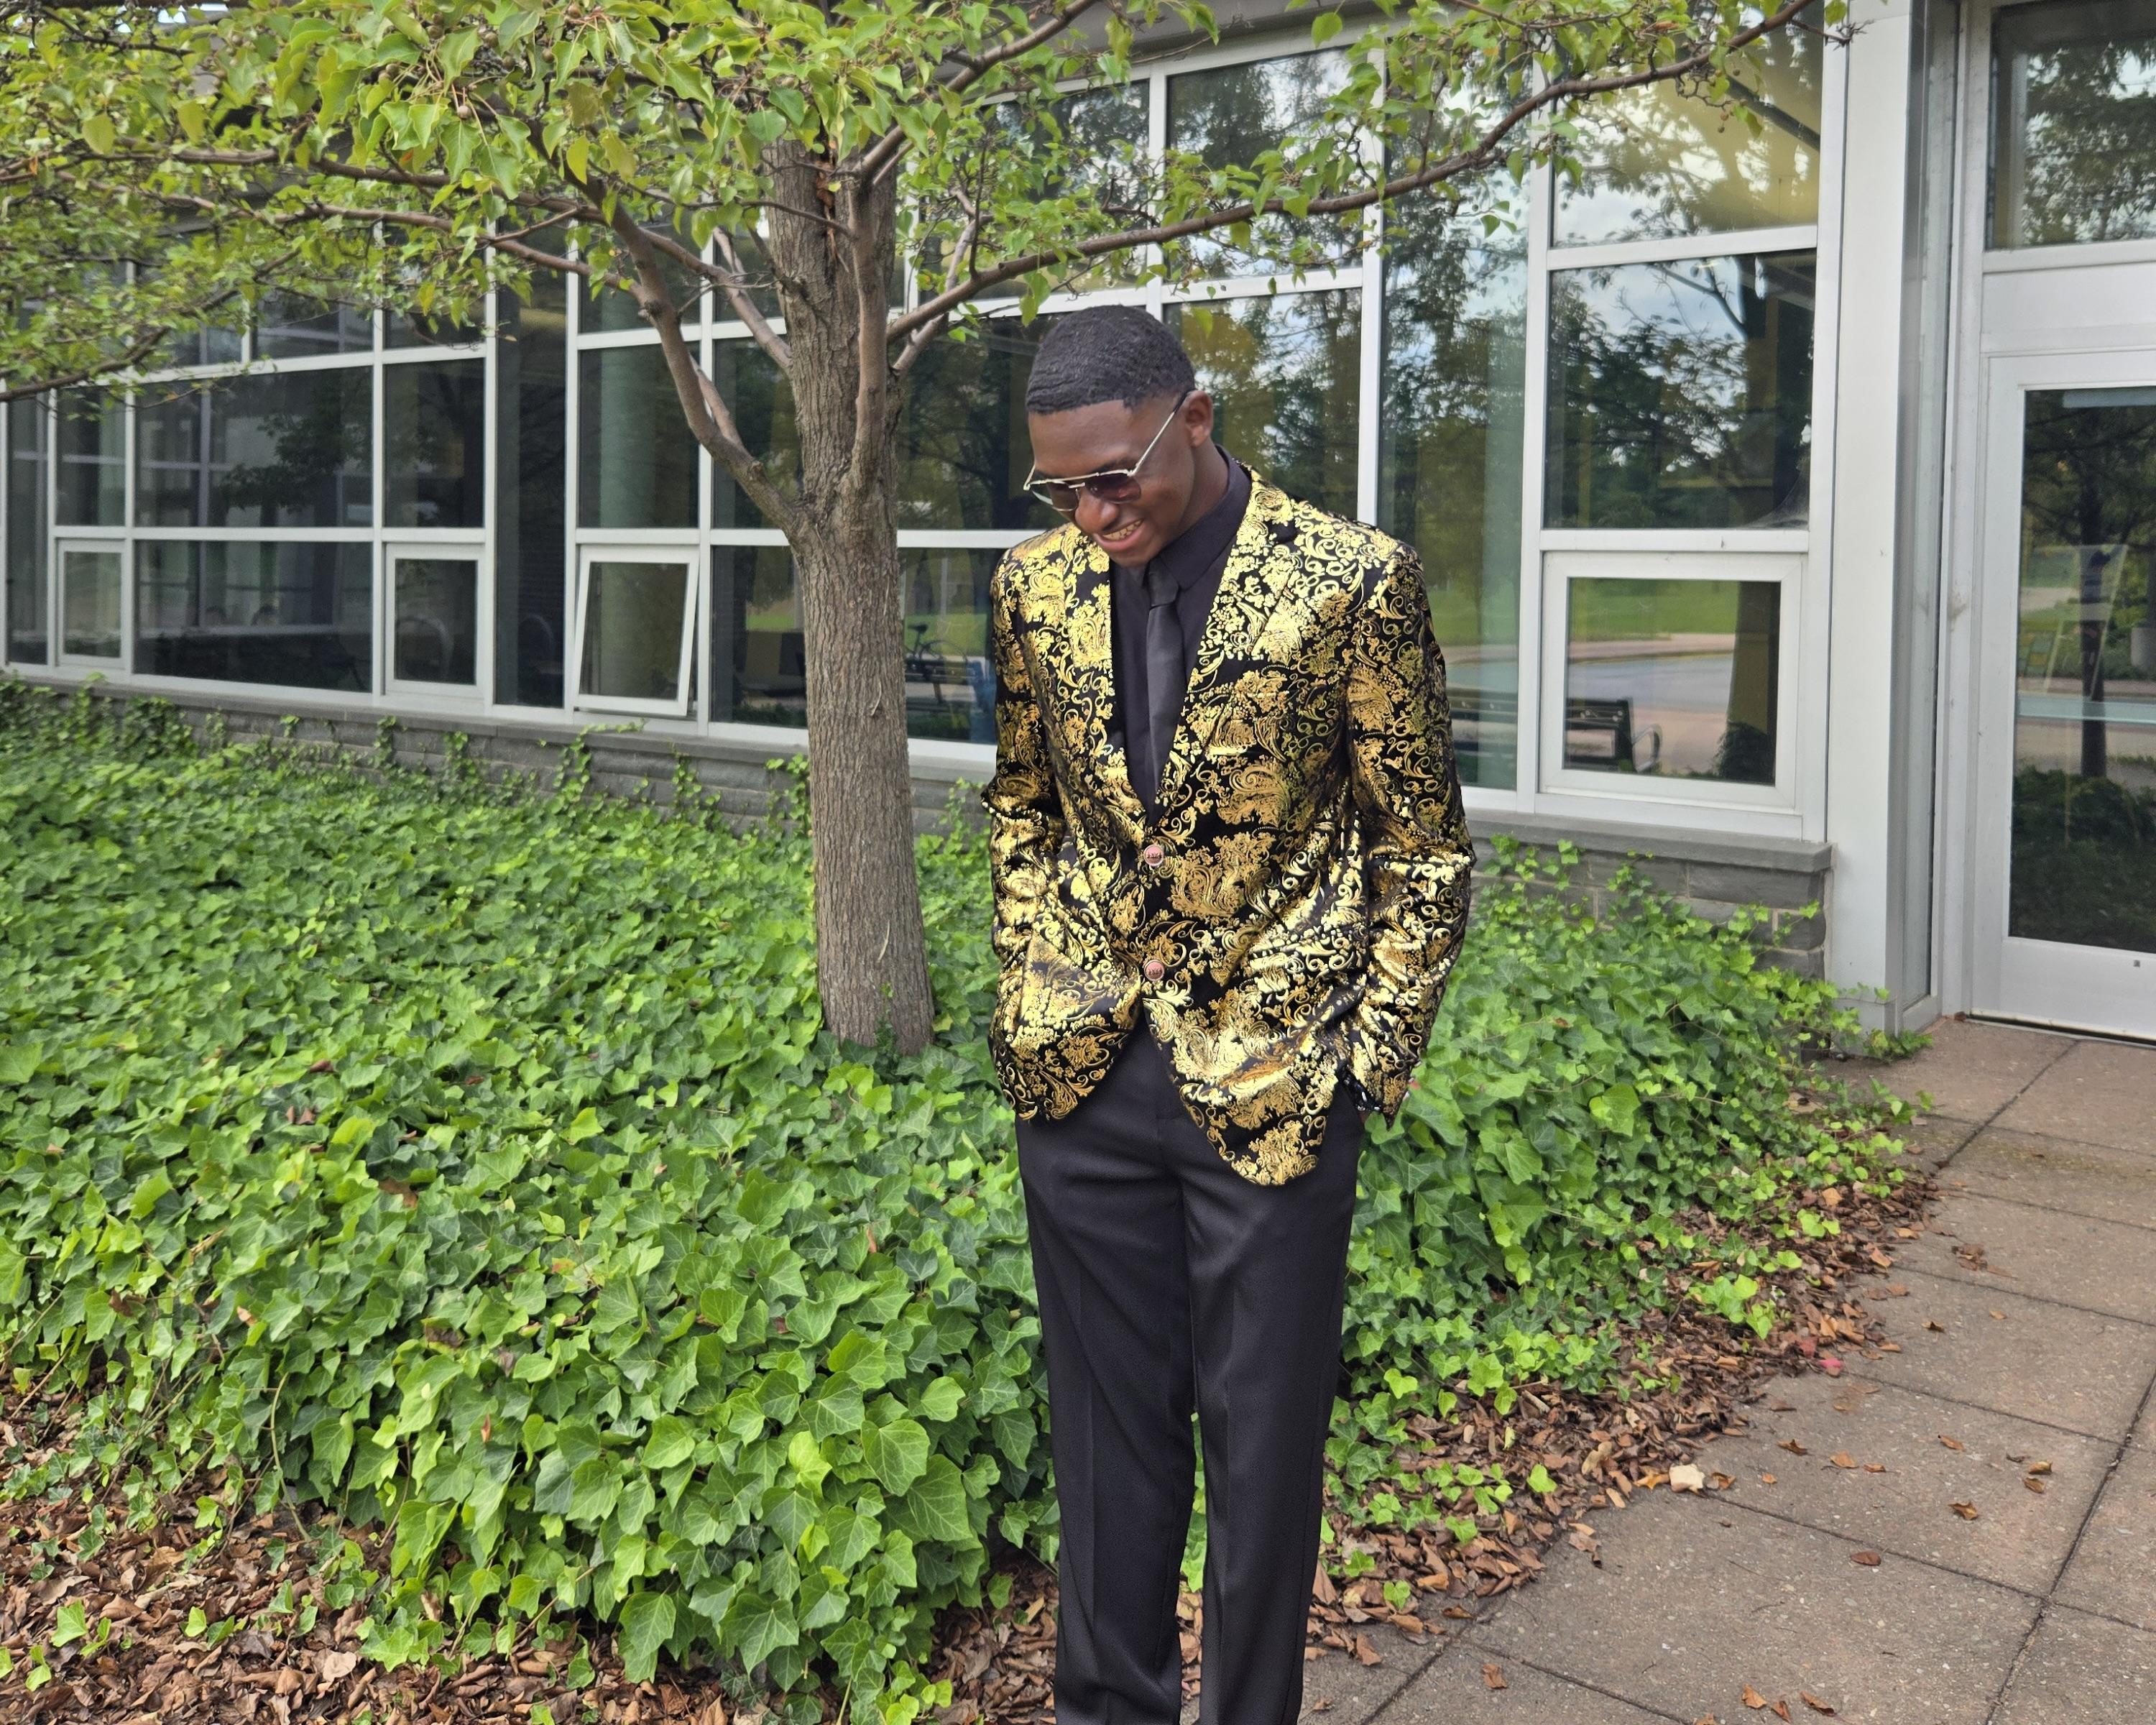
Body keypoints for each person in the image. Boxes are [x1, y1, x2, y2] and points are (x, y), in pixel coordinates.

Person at [983, 305, 1473, 1725]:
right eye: (1062, 486)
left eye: (1116, 474)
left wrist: (1364, 1063)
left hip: (1274, 1084)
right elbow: (1023, 805)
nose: (1092, 509)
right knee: (1106, 1442)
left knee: (1262, 1460)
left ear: (1195, 419)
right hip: (1081, 1085)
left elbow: (1424, 847)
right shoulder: (1033, 585)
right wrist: (1032, 984)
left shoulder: (1350, 581)